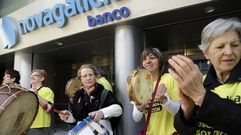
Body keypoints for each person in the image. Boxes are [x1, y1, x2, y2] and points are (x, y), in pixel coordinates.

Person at [168, 18, 241, 134]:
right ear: (206, 53)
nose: (229, 52)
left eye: (235, 45)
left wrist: (201, 96)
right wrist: (188, 108)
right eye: (220, 46)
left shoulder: (198, 89)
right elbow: (183, 129)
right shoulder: (199, 82)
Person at [59, 64, 123, 135]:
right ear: (81, 79)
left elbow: (119, 109)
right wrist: (67, 117)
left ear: (96, 76)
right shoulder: (77, 96)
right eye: (85, 76)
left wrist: (101, 112)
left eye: (90, 75)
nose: (88, 78)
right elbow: (75, 118)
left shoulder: (104, 92)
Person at [132, 47, 181, 135]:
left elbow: (179, 112)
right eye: (144, 59)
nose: (148, 61)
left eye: (152, 57)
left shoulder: (170, 78)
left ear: (159, 61)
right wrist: (140, 109)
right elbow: (136, 118)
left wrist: (165, 101)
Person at [27, 69, 55, 135]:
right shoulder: (27, 92)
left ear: (42, 78)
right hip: (27, 126)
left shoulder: (47, 90)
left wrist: (37, 95)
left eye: (35, 75)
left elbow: (48, 109)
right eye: (31, 75)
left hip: (41, 126)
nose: (32, 77)